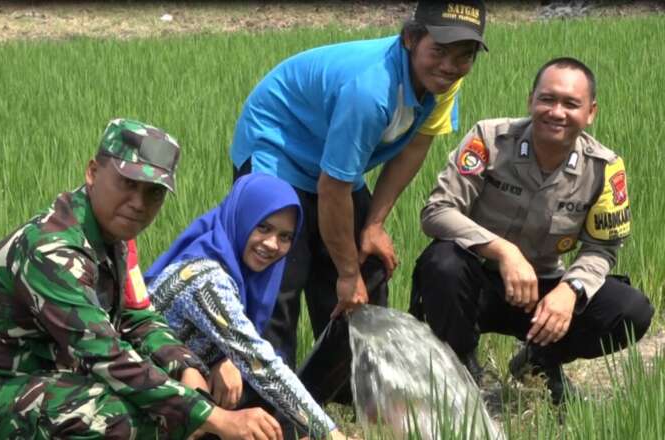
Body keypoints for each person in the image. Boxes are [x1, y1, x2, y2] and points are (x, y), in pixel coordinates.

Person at [0, 119, 282, 439]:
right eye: (128, 183)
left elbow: (137, 318)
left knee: (167, 404)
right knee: (119, 415)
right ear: (93, 172)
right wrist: (212, 416)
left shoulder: (116, 240)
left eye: (153, 193)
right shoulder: (52, 250)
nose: (139, 203)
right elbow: (104, 355)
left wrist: (185, 365)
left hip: (38, 380)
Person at [229, 0, 489, 402]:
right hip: (278, 148)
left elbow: (414, 147)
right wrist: (344, 273)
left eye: (464, 55)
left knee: (368, 268)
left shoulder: (442, 81)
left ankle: (348, 392)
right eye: (438, 50)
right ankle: (267, 404)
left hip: (331, 159)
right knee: (280, 276)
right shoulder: (371, 89)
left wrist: (373, 225)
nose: (450, 65)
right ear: (410, 39)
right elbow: (333, 186)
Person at [409, 58, 654, 404]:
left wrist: (571, 289)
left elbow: (602, 247)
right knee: (442, 262)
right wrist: (504, 252)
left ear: (591, 112)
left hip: (540, 294)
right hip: (474, 284)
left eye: (571, 104)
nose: (556, 112)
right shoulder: (489, 140)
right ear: (531, 100)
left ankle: (539, 361)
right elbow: (437, 211)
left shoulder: (603, 168)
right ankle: (461, 366)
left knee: (630, 309)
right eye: (547, 99)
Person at [144, 173, 345, 440]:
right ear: (242, 218)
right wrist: (330, 434)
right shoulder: (206, 279)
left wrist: (222, 358)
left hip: (171, 396)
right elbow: (261, 365)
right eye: (263, 227)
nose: (272, 244)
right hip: (136, 405)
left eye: (285, 236)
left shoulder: (230, 264)